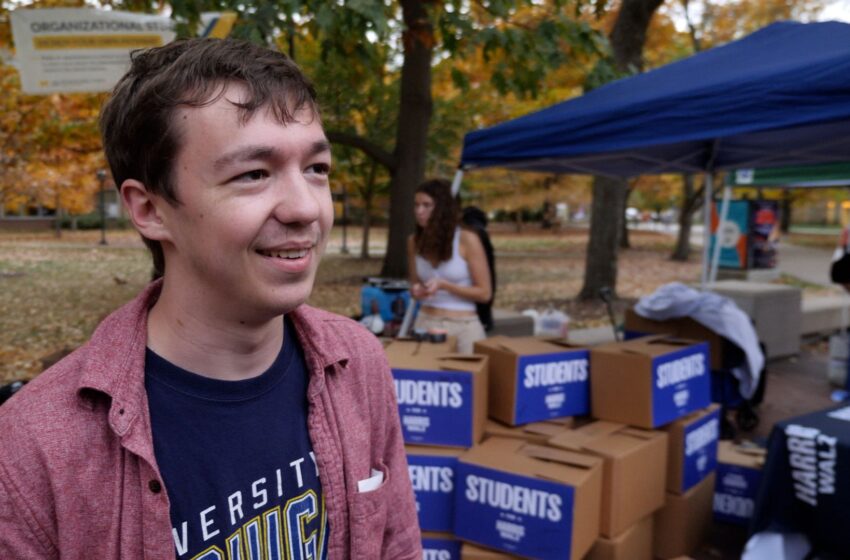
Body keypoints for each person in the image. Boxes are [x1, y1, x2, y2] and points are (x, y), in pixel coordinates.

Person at [0, 38, 420, 559]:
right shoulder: (30, 450)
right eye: (253, 174)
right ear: (151, 209)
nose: (306, 208)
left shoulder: (358, 363)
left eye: (317, 169)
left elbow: (397, 546)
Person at [407, 179, 492, 353]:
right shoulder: (413, 241)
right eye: (416, 205)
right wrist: (417, 290)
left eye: (426, 205)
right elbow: (414, 285)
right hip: (426, 322)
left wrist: (444, 285)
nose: (419, 211)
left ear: (443, 208)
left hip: (463, 326)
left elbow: (484, 293)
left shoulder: (467, 239)